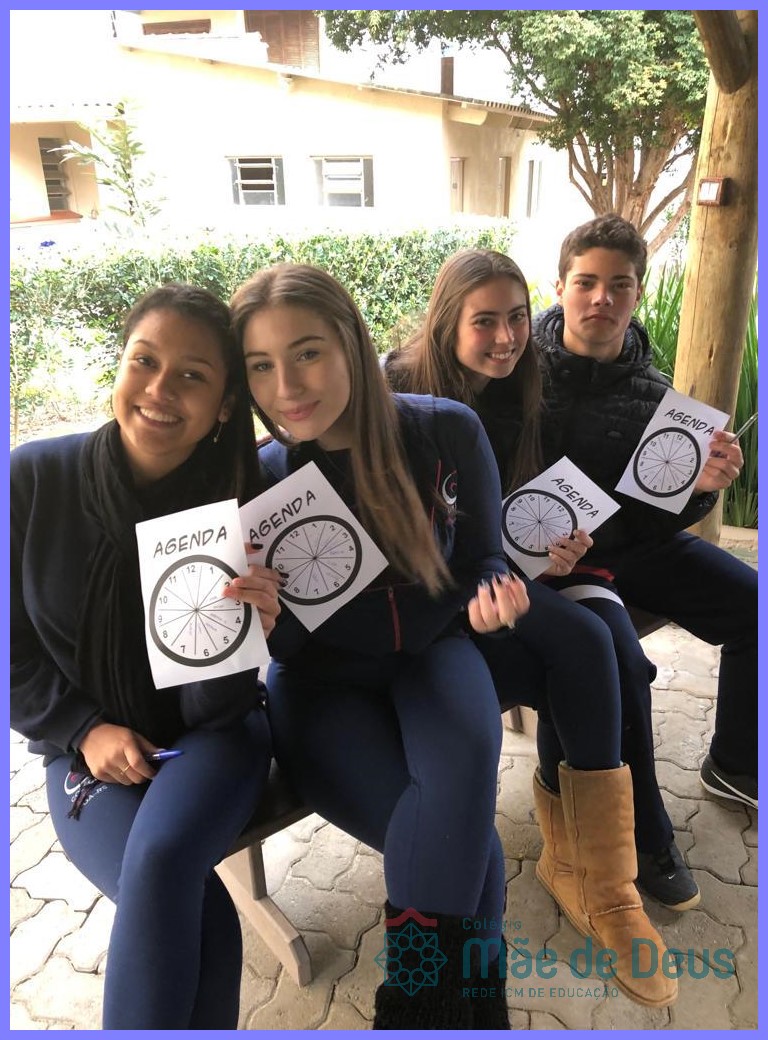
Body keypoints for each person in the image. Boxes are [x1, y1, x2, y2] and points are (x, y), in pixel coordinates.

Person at [228, 262, 531, 1029]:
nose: (287, 386)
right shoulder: (257, 480)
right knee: (473, 853)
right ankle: (467, 1013)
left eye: (307, 352)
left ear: (352, 345)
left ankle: (418, 1011)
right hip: (318, 686)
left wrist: (494, 594)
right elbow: (250, 640)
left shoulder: (444, 430)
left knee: (460, 810)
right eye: (260, 365)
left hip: (435, 653)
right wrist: (256, 618)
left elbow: (486, 558)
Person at [385, 248, 681, 1009]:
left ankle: (602, 880)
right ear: (446, 322)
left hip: (484, 582)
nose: (507, 337)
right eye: (484, 321)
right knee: (569, 657)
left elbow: (508, 519)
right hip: (409, 609)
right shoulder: (398, 393)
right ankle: (573, 880)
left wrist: (551, 547)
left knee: (592, 641)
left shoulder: (521, 390)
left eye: (517, 318)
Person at [10, 284, 282, 1030]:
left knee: (162, 865)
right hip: (81, 751)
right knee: (205, 916)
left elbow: (215, 708)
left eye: (192, 375)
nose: (160, 389)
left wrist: (237, 638)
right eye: (145, 361)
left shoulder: (230, 506)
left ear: (224, 406)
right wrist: (84, 728)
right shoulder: (32, 479)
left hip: (212, 740)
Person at [532, 214, 757, 822]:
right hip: (558, 564)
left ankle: (734, 765)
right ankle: (626, 822)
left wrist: (702, 488)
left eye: (619, 285)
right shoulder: (518, 373)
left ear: (637, 293)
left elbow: (657, 511)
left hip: (636, 546)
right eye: (586, 282)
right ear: (560, 287)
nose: (601, 298)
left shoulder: (657, 396)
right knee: (618, 662)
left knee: (755, 606)